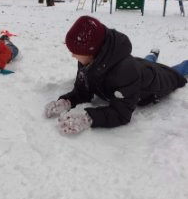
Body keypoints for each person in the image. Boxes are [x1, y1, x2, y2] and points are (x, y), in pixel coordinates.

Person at [44, 16, 188, 134]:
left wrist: (88, 118)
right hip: (138, 65)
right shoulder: (88, 60)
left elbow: (121, 114)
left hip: (156, 79)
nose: (72, 55)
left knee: (176, 72)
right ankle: (152, 55)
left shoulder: (125, 72)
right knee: (146, 61)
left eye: (76, 51)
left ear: (92, 51)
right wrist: (67, 101)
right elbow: (83, 90)